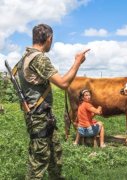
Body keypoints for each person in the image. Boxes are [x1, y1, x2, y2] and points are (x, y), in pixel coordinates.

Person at [17, 24, 90, 179]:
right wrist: (78, 62)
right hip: (39, 117)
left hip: (44, 116)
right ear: (49, 39)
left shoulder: (25, 57)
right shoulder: (39, 58)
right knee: (39, 158)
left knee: (55, 152)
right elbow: (63, 83)